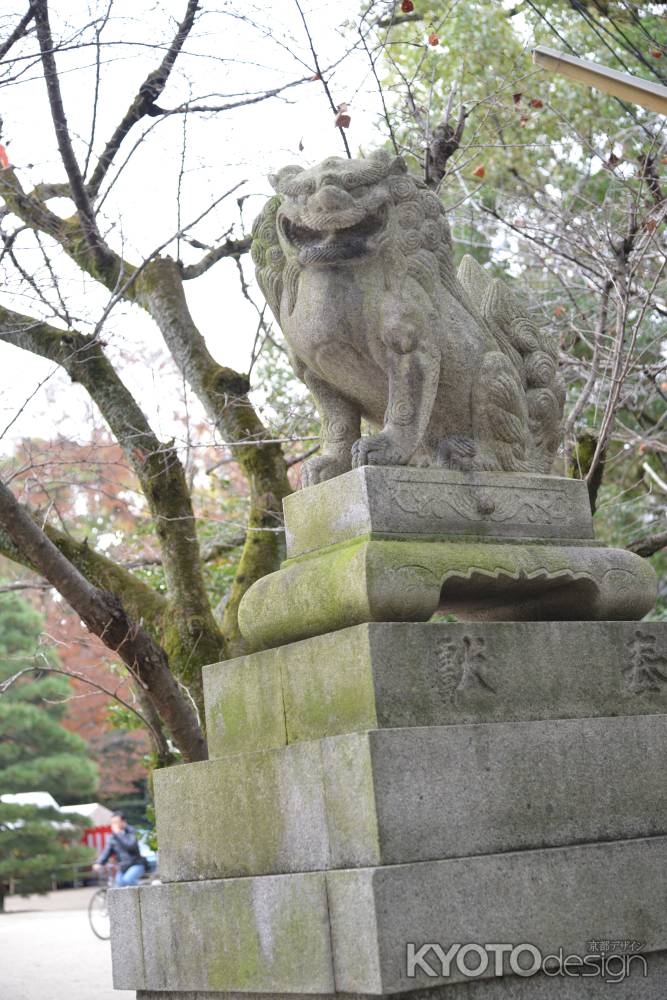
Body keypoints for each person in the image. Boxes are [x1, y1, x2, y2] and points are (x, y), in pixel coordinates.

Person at [92, 812, 148, 887]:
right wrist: (99, 862)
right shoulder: (113, 837)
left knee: (128, 880)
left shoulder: (132, 831)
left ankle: (140, 893)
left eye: (116, 822)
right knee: (119, 884)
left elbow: (131, 845)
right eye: (112, 823)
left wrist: (118, 833)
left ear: (123, 822)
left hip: (136, 864)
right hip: (123, 867)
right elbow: (107, 851)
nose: (114, 825)